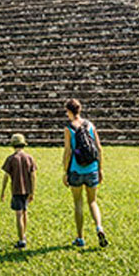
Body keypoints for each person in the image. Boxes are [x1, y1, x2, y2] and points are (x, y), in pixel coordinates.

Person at [62, 98, 108, 248]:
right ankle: (99, 228)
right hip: (92, 168)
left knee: (78, 203)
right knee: (92, 201)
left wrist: (65, 171)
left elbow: (68, 151)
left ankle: (80, 238)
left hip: (76, 169)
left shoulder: (69, 129)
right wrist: (100, 168)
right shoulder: (90, 125)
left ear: (69, 111)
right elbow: (99, 148)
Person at [0, 133, 37, 249]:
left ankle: (21, 240)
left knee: (18, 215)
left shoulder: (11, 159)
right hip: (27, 190)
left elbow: (6, 176)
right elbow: (33, 176)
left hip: (16, 190)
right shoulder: (29, 158)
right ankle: (24, 234)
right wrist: (32, 191)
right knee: (25, 213)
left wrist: (3, 191)